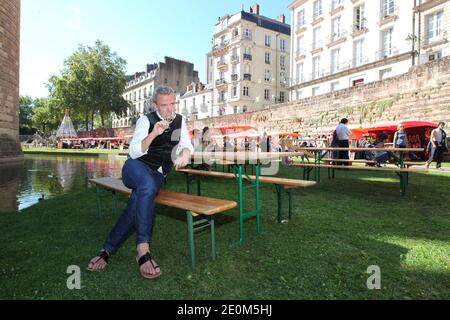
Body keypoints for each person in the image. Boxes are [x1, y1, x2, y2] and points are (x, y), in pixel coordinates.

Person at [87, 86, 193, 279]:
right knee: (147, 186)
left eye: (172, 104)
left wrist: (185, 153)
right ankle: (143, 249)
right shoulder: (146, 120)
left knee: (139, 199)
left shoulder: (180, 120)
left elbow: (186, 144)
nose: (170, 109)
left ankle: (107, 250)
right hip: (135, 168)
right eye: (164, 105)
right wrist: (153, 134)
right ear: (155, 105)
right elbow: (134, 152)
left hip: (157, 173)